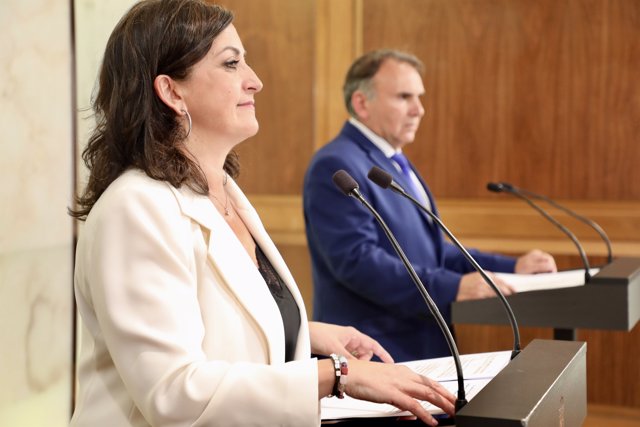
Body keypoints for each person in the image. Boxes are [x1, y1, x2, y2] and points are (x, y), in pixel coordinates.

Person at [68, 2, 457, 426]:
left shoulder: (225, 193)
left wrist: (308, 335)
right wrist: (337, 375)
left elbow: (221, 325)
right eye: (232, 64)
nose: (255, 81)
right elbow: (174, 394)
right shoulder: (134, 208)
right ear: (172, 91)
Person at [303, 49, 557, 362]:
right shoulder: (337, 164)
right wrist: (452, 287)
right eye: (404, 97)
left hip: (423, 344)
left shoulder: (393, 162)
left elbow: (431, 251)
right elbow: (358, 263)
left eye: (419, 97)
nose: (419, 110)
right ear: (361, 103)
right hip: (375, 352)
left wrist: (511, 267)